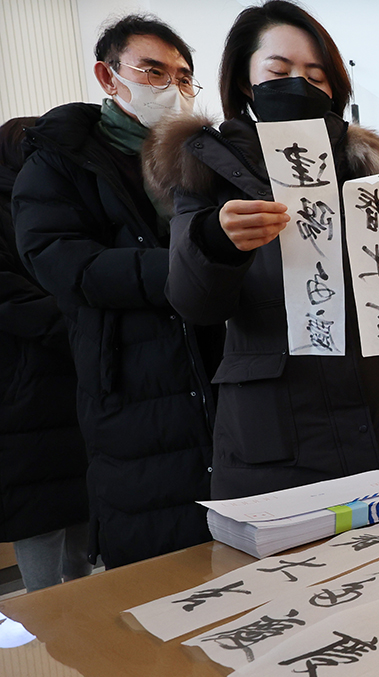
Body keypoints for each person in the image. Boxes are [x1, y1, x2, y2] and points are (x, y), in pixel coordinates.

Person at [146, 0, 379, 499]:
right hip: (277, 433)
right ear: (246, 81)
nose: (299, 84)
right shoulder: (207, 168)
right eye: (279, 69)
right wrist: (217, 242)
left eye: (316, 74)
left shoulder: (372, 168)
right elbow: (193, 303)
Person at [12, 15, 222, 569]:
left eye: (182, 77)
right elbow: (65, 266)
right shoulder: (59, 164)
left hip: (216, 367)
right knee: (158, 555)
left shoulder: (203, 159)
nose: (170, 89)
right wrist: (188, 264)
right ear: (108, 77)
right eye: (152, 71)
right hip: (128, 381)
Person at [0, 117, 91, 591]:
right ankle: (42, 617)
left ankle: (86, 607)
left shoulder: (66, 194)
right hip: (25, 384)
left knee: (83, 505)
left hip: (78, 372)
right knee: (39, 512)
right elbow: (10, 299)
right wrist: (80, 316)